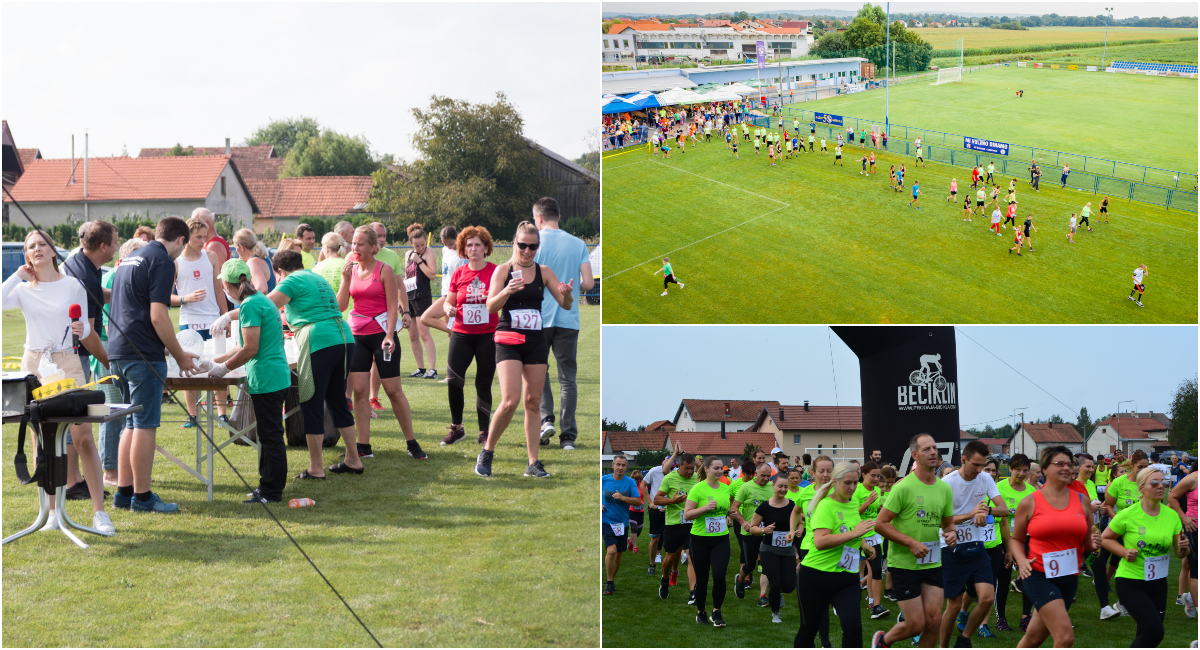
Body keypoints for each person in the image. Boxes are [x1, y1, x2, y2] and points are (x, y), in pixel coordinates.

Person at [3, 230, 115, 533]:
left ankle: (99, 513)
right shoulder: (23, 289)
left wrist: (83, 331)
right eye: (31, 246)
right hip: (34, 365)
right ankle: (51, 511)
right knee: (41, 439)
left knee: (83, 437)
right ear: (27, 255)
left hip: (67, 362)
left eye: (42, 244)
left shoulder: (73, 285)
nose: (37, 249)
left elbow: (88, 330)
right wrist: (17, 275)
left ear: (54, 251)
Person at [227, 249, 360, 479]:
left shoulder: (291, 281)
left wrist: (226, 317)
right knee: (338, 400)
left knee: (311, 402)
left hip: (319, 339)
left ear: (279, 272)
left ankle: (316, 468)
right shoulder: (317, 277)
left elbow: (263, 306)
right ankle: (353, 459)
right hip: (344, 337)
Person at [109, 217, 201, 514]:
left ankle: (124, 493)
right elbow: (158, 316)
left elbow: (131, 309)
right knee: (145, 425)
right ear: (181, 240)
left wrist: (166, 347)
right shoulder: (162, 260)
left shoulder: (130, 258)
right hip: (142, 356)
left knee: (130, 423)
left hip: (118, 352)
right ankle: (143, 497)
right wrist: (179, 355)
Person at [473, 222, 574, 479]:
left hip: (535, 341)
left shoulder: (544, 271)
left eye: (533, 246)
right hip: (508, 340)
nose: (527, 251)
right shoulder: (502, 271)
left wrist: (567, 294)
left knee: (533, 402)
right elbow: (490, 307)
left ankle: (533, 463)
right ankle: (487, 452)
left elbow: (565, 304)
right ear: (514, 243)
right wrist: (507, 290)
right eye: (522, 245)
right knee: (510, 401)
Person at [336, 225, 427, 461]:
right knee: (359, 391)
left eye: (360, 244)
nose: (355, 248)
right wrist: (345, 279)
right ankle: (363, 446)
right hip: (357, 336)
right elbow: (342, 306)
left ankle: (412, 443)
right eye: (353, 243)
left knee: (393, 391)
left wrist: (389, 335)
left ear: (372, 247)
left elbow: (391, 306)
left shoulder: (384, 270)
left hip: (382, 335)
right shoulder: (351, 268)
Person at [207, 258, 291, 503]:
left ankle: (271, 491)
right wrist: (213, 361)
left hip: (268, 378)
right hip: (273, 376)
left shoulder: (250, 306)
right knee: (267, 435)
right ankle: (266, 487)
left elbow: (250, 349)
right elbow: (243, 345)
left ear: (226, 284)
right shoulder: (259, 300)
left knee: (270, 436)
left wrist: (223, 369)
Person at [1007, 446, 1102, 648]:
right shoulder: (1030, 502)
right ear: (1044, 469)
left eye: (1069, 464)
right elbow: (1016, 540)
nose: (1066, 468)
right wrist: (1021, 561)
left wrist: (1093, 544)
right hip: (1038, 575)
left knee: (1034, 638)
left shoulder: (1082, 501)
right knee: (1065, 637)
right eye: (1059, 464)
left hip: (1069, 576)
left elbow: (1087, 541)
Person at [871, 434, 957, 649]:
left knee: (934, 621)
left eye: (934, 448)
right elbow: (880, 524)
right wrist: (910, 542)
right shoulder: (903, 487)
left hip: (932, 562)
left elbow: (948, 523)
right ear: (915, 455)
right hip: (904, 564)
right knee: (916, 624)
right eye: (927, 449)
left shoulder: (944, 488)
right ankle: (883, 641)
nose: (933, 452)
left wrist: (952, 533)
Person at [61, 220, 118, 502]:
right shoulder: (84, 275)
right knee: (75, 420)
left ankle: (72, 479)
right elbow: (87, 333)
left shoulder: (84, 262)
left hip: (69, 353)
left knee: (74, 420)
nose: (117, 247)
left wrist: (124, 294)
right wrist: (110, 362)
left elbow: (98, 296)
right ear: (103, 246)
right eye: (115, 242)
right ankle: (72, 481)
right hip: (74, 354)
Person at [1102, 465, 1187, 646]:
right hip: (1131, 582)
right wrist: (1124, 552)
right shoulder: (1128, 514)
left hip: (1158, 583)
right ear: (1141, 488)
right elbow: (1105, 538)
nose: (1160, 486)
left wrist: (1184, 547)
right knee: (1154, 632)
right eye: (1154, 483)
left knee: (1146, 633)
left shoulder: (1172, 516)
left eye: (1163, 482)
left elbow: (1180, 554)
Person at [532, 198, 592, 452]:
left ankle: (546, 421)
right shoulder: (578, 243)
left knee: (539, 372)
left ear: (539, 217)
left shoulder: (533, 242)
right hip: (568, 318)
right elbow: (589, 283)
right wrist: (571, 288)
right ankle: (568, 437)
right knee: (568, 379)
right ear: (559, 216)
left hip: (538, 318)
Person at [938, 441, 1011, 647]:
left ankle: (964, 639)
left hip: (977, 545)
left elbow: (1004, 510)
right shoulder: (947, 483)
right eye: (975, 465)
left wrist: (986, 510)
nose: (979, 470)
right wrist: (971, 514)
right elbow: (941, 520)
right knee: (953, 606)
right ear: (963, 460)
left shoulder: (985, 478)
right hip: (951, 547)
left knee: (986, 598)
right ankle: (943, 646)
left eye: (982, 465)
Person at [798, 460, 876, 647]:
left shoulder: (853, 502)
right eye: (847, 483)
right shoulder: (825, 505)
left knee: (853, 629)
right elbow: (820, 542)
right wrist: (855, 534)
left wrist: (864, 545)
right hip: (816, 576)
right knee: (809, 629)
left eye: (855, 483)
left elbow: (850, 528)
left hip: (846, 578)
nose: (852, 487)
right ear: (835, 481)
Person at [94, 237, 147, 486]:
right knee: (112, 412)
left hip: (121, 348)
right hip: (110, 347)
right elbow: (110, 324)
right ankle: (110, 471)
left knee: (125, 412)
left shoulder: (126, 276)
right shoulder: (114, 278)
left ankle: (127, 471)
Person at [439, 226, 498, 446]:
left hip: (487, 335)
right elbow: (449, 300)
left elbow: (503, 299)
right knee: (454, 380)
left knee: (483, 383)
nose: (473, 249)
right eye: (469, 245)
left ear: (486, 248)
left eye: (477, 245)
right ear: (463, 249)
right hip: (461, 334)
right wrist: (448, 308)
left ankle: (484, 432)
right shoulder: (458, 273)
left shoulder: (495, 272)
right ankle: (457, 428)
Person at [172, 216, 229, 430]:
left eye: (205, 236)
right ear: (186, 237)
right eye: (198, 237)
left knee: (218, 366)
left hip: (213, 320)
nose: (203, 241)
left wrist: (225, 317)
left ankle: (222, 414)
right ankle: (193, 416)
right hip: (189, 323)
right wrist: (185, 298)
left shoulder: (211, 256)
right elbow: (165, 296)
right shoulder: (176, 262)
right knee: (190, 369)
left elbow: (219, 290)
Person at [684, 456, 734, 627]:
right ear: (706, 469)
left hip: (721, 539)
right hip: (700, 540)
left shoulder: (726, 488)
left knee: (719, 576)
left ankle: (717, 612)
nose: (720, 471)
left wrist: (730, 514)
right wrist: (705, 508)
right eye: (716, 468)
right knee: (702, 578)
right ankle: (701, 612)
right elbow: (687, 514)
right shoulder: (697, 489)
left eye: (721, 468)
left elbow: (727, 508)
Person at [1100, 450, 1150, 618]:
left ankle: (1124, 602)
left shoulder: (1148, 483)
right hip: (1119, 530)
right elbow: (1108, 505)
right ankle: (1115, 597)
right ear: (1132, 465)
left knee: (1136, 564)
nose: (1143, 470)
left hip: (1141, 531)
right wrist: (1117, 520)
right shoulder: (1119, 482)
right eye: (1140, 467)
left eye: (1146, 467)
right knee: (1117, 562)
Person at [793, 454, 836, 646]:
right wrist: (792, 529)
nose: (825, 475)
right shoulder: (805, 492)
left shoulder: (838, 492)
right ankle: (813, 641)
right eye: (821, 471)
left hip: (831, 547)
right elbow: (795, 511)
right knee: (812, 598)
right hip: (809, 547)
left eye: (829, 471)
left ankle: (825, 642)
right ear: (812, 472)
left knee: (824, 597)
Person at [995, 453, 1037, 631]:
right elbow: (997, 516)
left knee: (1028, 577)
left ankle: (1026, 616)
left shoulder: (1032, 491)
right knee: (1003, 580)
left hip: (1026, 539)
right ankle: (1001, 618)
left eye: (1025, 470)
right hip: (1004, 539)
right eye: (1017, 469)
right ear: (1010, 469)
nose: (1021, 473)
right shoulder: (999, 488)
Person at [657, 452, 699, 602]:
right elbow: (657, 499)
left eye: (692, 468)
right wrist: (672, 501)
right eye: (687, 468)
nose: (690, 471)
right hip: (674, 524)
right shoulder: (669, 478)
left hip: (692, 524)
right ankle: (664, 579)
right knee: (670, 558)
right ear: (679, 466)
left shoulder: (698, 479)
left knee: (691, 557)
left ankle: (693, 591)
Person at [731, 463, 773, 607]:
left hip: (767, 531)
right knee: (749, 565)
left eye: (768, 476)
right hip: (749, 532)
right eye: (763, 475)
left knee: (766, 564)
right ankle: (741, 579)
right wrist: (743, 522)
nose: (766, 479)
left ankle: (763, 596)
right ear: (756, 474)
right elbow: (734, 507)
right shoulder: (746, 487)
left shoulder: (772, 487)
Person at [603, 454, 643, 596]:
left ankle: (611, 580)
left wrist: (622, 497)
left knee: (619, 553)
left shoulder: (630, 482)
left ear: (626, 467)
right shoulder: (603, 480)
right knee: (611, 551)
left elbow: (638, 501)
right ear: (613, 465)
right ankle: (609, 582)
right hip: (606, 521)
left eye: (623, 465)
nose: (620, 467)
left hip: (622, 523)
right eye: (618, 464)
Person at [402, 223, 438, 380]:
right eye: (417, 246)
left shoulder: (429, 252)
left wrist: (419, 261)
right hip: (409, 297)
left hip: (422, 297)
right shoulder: (407, 254)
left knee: (424, 334)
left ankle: (433, 370)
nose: (421, 247)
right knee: (413, 335)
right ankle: (420, 368)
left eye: (423, 244)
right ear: (411, 244)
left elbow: (432, 275)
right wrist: (401, 301)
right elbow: (406, 277)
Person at [858, 461, 890, 619]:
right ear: (863, 475)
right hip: (856, 534)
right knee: (848, 569)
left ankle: (876, 607)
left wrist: (879, 510)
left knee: (876, 569)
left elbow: (873, 511)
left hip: (873, 534)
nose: (876, 479)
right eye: (873, 476)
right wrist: (868, 502)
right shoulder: (856, 490)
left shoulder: (877, 490)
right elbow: (852, 513)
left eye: (878, 476)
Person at [1167, 469, 1198, 619]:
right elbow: (1171, 497)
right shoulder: (1193, 478)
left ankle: (1190, 597)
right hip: (1194, 528)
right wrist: (1183, 518)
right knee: (1194, 568)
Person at [231, 228, 275, 295]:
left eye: (236, 248)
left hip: (262, 301)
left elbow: (262, 289)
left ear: (241, 247)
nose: (236, 251)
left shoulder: (252, 263)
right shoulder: (266, 259)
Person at [628, 468, 645, 552]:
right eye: (636, 479)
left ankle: (630, 540)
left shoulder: (642, 486)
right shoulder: (630, 485)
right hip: (631, 509)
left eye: (639, 479)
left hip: (641, 509)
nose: (637, 480)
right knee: (634, 527)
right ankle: (635, 547)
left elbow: (645, 494)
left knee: (639, 529)